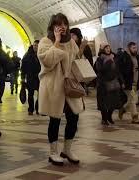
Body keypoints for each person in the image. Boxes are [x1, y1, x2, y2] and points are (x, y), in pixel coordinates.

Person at [37, 13, 85, 166]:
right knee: (55, 119)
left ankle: (67, 149)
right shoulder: (45, 41)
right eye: (59, 24)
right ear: (52, 26)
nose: (62, 27)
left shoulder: (71, 42)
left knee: (74, 117)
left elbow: (76, 58)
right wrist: (56, 42)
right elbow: (48, 61)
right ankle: (53, 153)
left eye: (64, 24)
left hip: (69, 85)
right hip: (54, 86)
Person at [117, 42, 139, 124]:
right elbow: (119, 70)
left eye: (136, 48)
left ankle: (123, 109)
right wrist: (122, 82)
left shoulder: (137, 57)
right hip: (127, 82)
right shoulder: (124, 57)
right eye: (133, 48)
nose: (135, 49)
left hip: (135, 82)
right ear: (129, 48)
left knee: (133, 100)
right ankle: (135, 117)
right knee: (133, 100)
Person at [95, 43, 123, 126]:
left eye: (109, 48)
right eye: (106, 48)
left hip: (113, 83)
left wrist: (121, 81)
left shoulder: (114, 57)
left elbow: (117, 71)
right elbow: (100, 70)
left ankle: (109, 116)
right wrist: (109, 61)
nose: (108, 49)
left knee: (113, 103)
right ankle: (104, 118)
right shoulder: (100, 59)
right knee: (104, 103)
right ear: (103, 49)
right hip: (103, 84)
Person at [21, 40, 41, 115]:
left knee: (41, 94)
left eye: (37, 45)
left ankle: (38, 108)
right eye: (35, 45)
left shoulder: (42, 54)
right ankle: (30, 109)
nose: (36, 47)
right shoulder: (27, 55)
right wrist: (23, 77)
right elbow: (23, 67)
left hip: (40, 78)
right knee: (30, 94)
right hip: (30, 77)